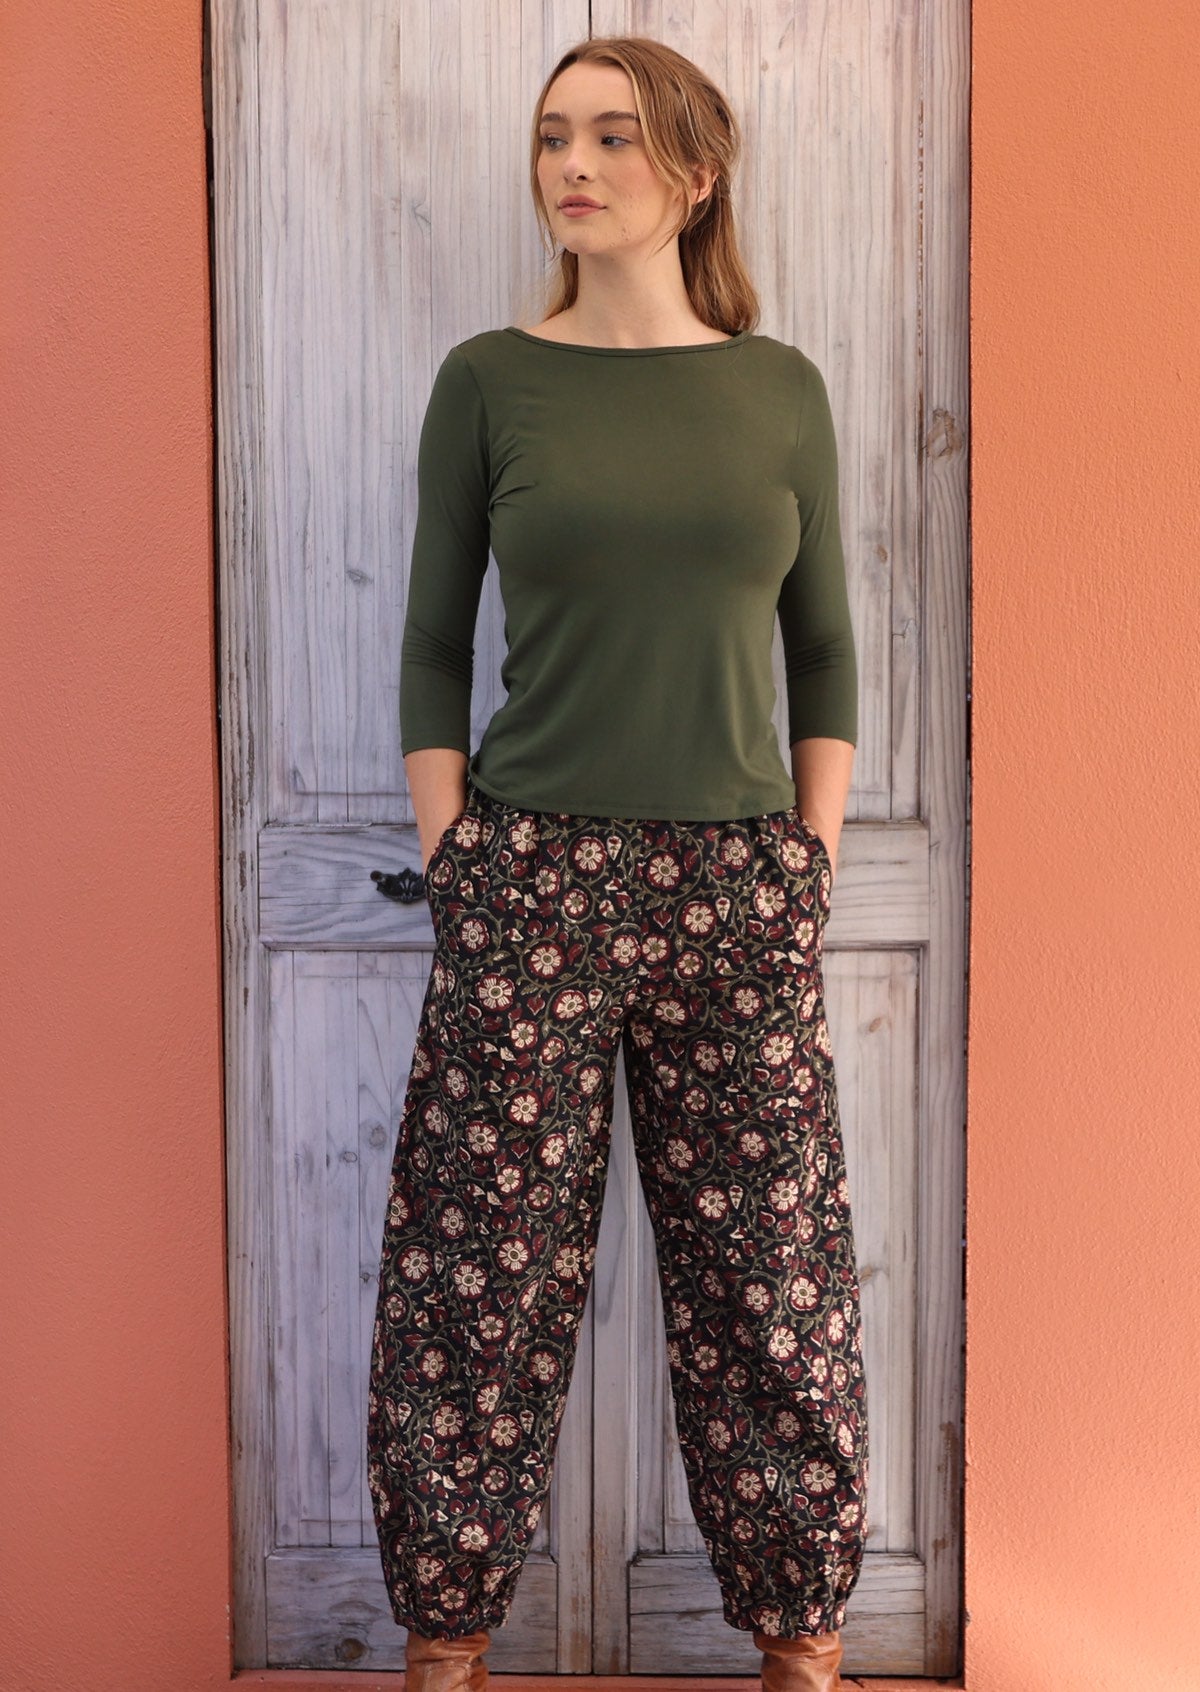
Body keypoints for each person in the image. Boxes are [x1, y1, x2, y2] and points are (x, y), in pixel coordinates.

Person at [366, 34, 868, 1692]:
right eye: (552, 139)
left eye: (614, 139)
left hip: (736, 886)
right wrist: (461, 862)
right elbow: (434, 645)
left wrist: (806, 858)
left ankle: (801, 1640)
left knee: (769, 1275)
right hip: (531, 880)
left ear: (695, 172)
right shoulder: (490, 379)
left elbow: (828, 655)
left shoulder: (778, 387)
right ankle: (448, 1641)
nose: (573, 167)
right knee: (475, 1278)